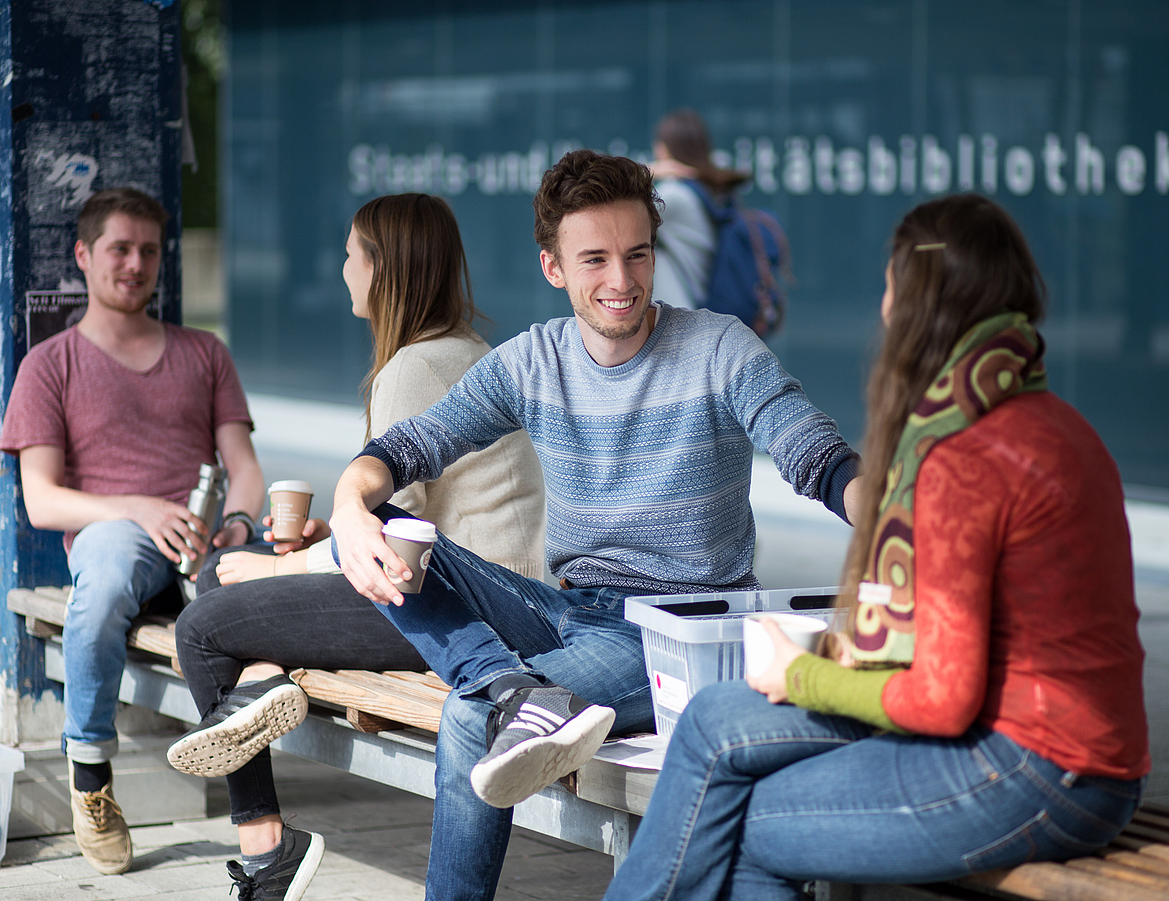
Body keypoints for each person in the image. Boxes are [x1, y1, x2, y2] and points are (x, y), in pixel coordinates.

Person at [311, 148, 863, 901]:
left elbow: (816, 454)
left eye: (637, 255)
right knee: (372, 514)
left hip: (665, 631)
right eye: (595, 259)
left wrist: (897, 526)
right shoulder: (532, 361)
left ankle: (500, 692)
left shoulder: (718, 348)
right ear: (553, 267)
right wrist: (348, 508)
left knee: (471, 722)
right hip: (564, 607)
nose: (622, 281)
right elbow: (402, 449)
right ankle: (512, 685)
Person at [601, 193, 1150, 901]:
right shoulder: (1053, 422)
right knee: (712, 720)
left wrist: (801, 674)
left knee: (741, 822)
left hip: (1040, 766)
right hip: (1065, 752)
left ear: (917, 305)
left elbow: (944, 698)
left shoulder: (967, 457)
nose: (883, 310)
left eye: (890, 287)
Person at [167, 192, 546, 901]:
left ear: (383, 268)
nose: (342, 268)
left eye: (350, 254)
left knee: (204, 620)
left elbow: (386, 557)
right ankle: (264, 676)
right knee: (228, 579)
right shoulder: (463, 352)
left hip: (448, 613)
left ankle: (266, 849)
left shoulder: (413, 368)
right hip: (478, 592)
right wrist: (315, 540)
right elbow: (392, 521)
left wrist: (277, 565)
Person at [0, 187, 264, 876]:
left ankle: (261, 820)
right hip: (116, 534)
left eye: (148, 250)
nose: (135, 263)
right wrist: (139, 507)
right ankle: (90, 775)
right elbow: (43, 501)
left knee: (269, 594)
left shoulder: (205, 353)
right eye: (120, 248)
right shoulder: (48, 364)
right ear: (85, 255)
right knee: (108, 574)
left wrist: (237, 522)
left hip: (203, 539)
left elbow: (245, 469)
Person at [648, 108, 752, 311]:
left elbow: (615, 212)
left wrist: (647, 171)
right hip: (702, 307)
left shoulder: (674, 196)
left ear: (664, 150)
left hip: (682, 314)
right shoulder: (711, 190)